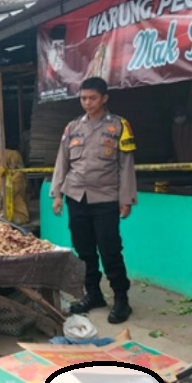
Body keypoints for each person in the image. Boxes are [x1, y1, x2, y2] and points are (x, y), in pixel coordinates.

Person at [50, 77, 137, 324]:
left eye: (92, 98)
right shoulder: (72, 127)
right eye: (83, 98)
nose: (87, 103)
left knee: (110, 250)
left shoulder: (119, 126)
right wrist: (57, 195)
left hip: (106, 198)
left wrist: (126, 199)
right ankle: (94, 293)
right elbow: (62, 162)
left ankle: (121, 298)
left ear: (105, 98)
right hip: (77, 196)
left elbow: (126, 165)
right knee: (85, 250)